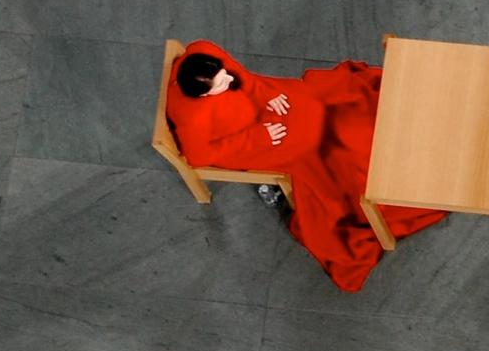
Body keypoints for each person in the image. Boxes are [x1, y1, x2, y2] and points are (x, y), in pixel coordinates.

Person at [165, 40, 446, 292]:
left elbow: (241, 75)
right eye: (220, 83)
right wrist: (259, 136)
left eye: (222, 73)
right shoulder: (193, 118)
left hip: (270, 106)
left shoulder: (203, 52)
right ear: (203, 95)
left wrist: (263, 93)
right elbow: (200, 156)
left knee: (327, 108)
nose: (227, 77)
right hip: (259, 142)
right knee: (332, 158)